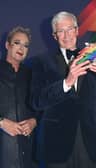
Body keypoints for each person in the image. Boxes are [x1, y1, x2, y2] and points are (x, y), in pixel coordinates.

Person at [30, 11, 96, 168]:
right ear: (54, 36)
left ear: (77, 31)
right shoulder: (39, 62)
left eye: (70, 29)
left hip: (90, 144)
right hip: (55, 144)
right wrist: (67, 82)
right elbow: (36, 102)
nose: (66, 35)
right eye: (61, 31)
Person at [0, 26, 37, 168]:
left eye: (26, 45)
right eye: (17, 43)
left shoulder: (32, 75)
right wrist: (2, 123)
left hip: (27, 151)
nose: (21, 48)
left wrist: (34, 121)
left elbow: (40, 106)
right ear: (7, 45)